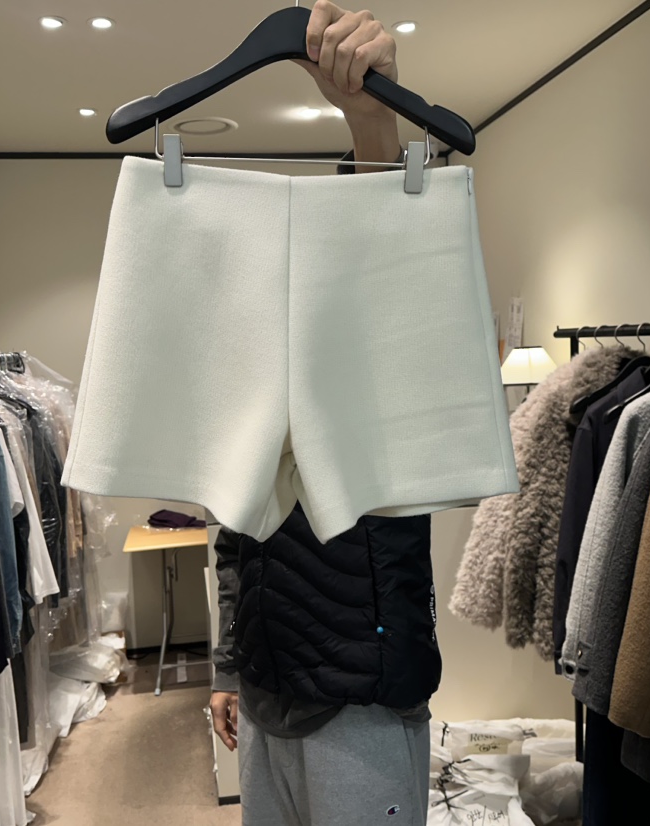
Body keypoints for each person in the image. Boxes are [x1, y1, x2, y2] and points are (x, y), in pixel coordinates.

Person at [209, 7, 442, 824]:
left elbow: (390, 258)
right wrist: (228, 668)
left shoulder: (377, 350)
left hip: (360, 704)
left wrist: (371, 119)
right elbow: (230, 533)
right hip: (265, 692)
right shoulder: (245, 368)